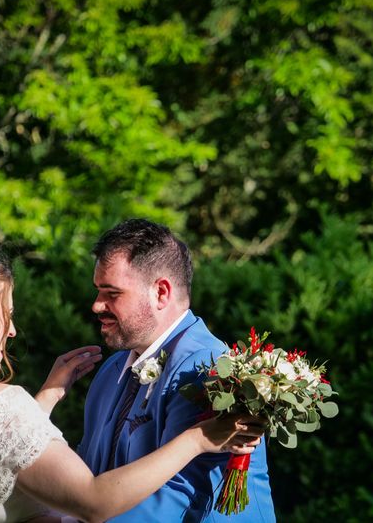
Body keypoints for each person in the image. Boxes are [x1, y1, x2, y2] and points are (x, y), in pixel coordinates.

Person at [0, 243, 263, 523]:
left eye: (111, 293)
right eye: (8, 314)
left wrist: (47, 398)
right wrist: (197, 439)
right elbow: (89, 495)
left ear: (161, 291)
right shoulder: (15, 406)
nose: (13, 330)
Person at [78, 219, 276, 522]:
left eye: (112, 293)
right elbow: (88, 470)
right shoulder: (111, 369)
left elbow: (180, 497)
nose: (96, 305)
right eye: (97, 291)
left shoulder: (210, 371)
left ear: (161, 293)